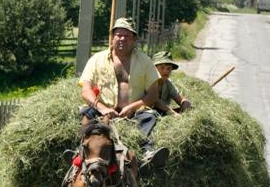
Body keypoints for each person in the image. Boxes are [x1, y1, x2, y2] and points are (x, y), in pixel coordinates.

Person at [79, 17, 169, 169]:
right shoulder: (96, 59)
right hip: (103, 111)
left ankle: (147, 153)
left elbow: (153, 95)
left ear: (134, 39)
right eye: (118, 35)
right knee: (87, 114)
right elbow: (86, 90)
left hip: (136, 114)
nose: (122, 39)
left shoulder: (145, 61)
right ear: (112, 37)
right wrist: (103, 108)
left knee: (150, 117)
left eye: (127, 36)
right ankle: (80, 150)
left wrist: (133, 107)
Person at [153, 51, 192, 116]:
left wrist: (184, 102)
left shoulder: (167, 83)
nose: (165, 71)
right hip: (147, 113)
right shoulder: (148, 82)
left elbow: (179, 98)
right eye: (161, 68)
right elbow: (154, 100)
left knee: (190, 109)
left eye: (168, 68)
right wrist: (172, 112)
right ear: (154, 68)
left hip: (162, 113)